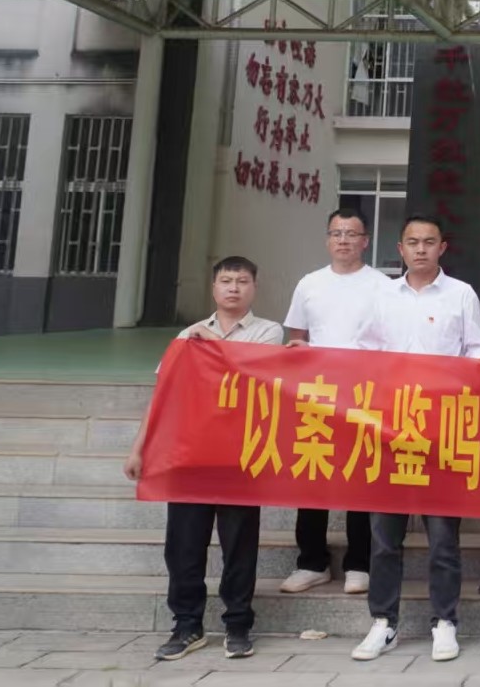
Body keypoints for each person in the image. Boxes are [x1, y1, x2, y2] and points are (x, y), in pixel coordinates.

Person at [350, 216, 480, 664]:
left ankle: (444, 621)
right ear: (400, 248)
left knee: (443, 536)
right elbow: (363, 351)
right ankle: (383, 622)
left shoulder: (461, 294)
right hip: (389, 427)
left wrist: (476, 369)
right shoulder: (382, 295)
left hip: (441, 429)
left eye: (429, 242)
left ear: (442, 248)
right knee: (384, 536)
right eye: (412, 242)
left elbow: (477, 348)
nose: (421, 249)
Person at [125, 256, 282, 662]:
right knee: (183, 547)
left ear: (254, 288)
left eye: (242, 281)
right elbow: (164, 395)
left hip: (239, 457)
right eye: (226, 281)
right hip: (189, 455)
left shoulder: (268, 332)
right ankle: (186, 626)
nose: (233, 288)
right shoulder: (187, 334)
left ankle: (238, 625)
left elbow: (252, 374)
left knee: (239, 547)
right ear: (214, 288)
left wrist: (206, 344)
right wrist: (139, 447)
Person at [278, 207, 391, 597]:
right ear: (328, 239)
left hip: (364, 393)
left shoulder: (382, 286)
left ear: (365, 241)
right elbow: (297, 336)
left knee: (361, 476)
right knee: (313, 473)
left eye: (351, 234)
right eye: (336, 233)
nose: (343, 240)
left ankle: (360, 563)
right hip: (318, 393)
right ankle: (312, 562)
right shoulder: (309, 283)